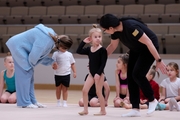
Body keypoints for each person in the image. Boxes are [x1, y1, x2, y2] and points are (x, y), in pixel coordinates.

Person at [99, 14, 167, 117]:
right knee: (130, 77)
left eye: (105, 30)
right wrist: (100, 59)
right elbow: (112, 46)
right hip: (137, 49)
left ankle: (153, 100)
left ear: (111, 28)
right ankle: (135, 108)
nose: (105, 32)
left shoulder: (131, 28)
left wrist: (158, 60)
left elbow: (148, 42)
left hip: (149, 48)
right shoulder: (116, 32)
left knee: (138, 74)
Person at [5, 24, 68, 108]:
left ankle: (32, 101)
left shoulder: (51, 38)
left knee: (29, 74)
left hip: (19, 46)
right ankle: (25, 102)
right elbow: (34, 57)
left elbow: (39, 55)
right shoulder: (47, 40)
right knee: (25, 74)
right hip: (17, 47)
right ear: (62, 47)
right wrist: (49, 62)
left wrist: (51, 62)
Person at [76, 24, 108, 115]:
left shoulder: (102, 50)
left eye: (99, 36)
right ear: (91, 38)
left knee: (99, 92)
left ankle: (103, 111)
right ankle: (85, 110)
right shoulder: (89, 49)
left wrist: (98, 73)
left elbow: (103, 64)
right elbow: (79, 51)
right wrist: (83, 42)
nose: (98, 38)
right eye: (95, 37)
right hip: (91, 74)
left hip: (99, 74)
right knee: (84, 91)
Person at [52, 36, 76, 107]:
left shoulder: (69, 54)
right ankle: (58, 101)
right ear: (59, 46)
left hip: (66, 74)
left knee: (65, 88)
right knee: (58, 88)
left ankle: (65, 101)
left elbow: (72, 64)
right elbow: (53, 63)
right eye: (62, 47)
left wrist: (74, 72)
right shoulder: (55, 54)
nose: (64, 49)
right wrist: (54, 66)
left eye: (65, 48)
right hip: (58, 74)